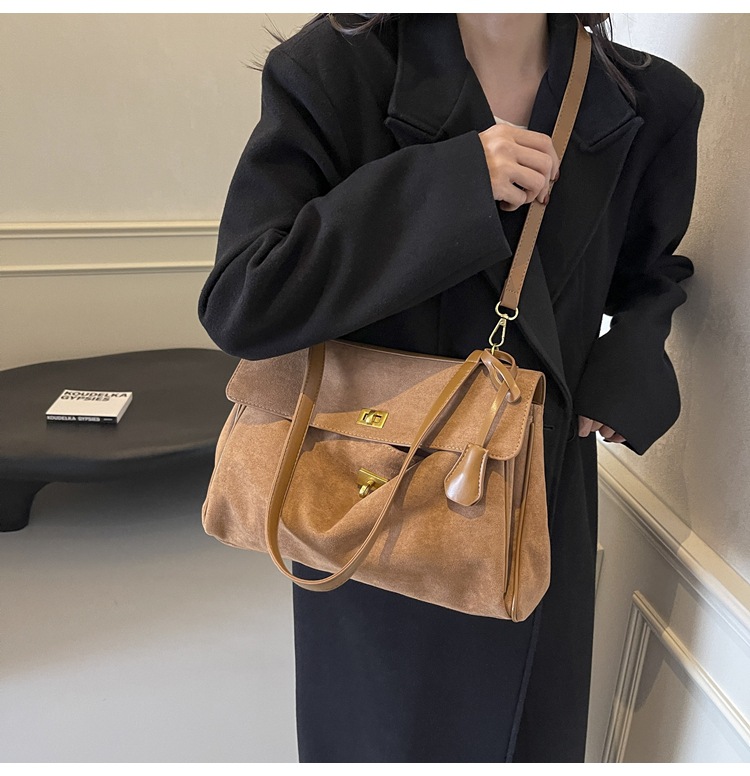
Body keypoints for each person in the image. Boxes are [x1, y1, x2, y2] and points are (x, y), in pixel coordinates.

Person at [198, 12, 703, 763]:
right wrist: (452, 185)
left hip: (536, 499)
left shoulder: (648, 100)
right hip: (369, 497)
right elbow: (246, 297)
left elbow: (649, 272)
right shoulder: (339, 69)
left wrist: (629, 360)